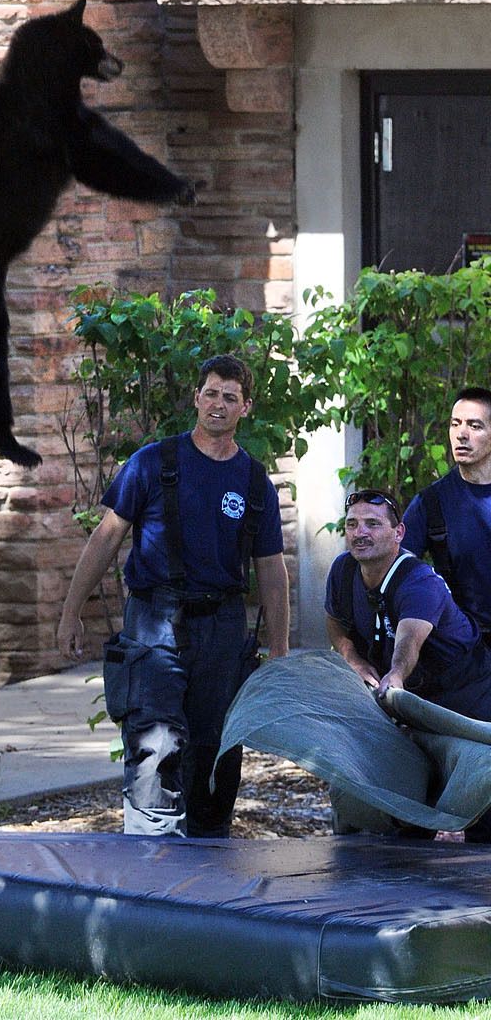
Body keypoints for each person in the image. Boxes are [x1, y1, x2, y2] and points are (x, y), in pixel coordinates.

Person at [57, 355, 290, 837]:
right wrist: (71, 612)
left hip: (223, 627)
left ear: (245, 407)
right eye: (211, 393)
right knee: (155, 744)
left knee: (215, 753)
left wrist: (281, 648)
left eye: (230, 397)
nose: (218, 404)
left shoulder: (254, 482)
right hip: (154, 620)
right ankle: (151, 861)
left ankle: (208, 864)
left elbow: (271, 568)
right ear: (196, 398)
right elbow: (105, 538)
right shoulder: (152, 463)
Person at [325, 489, 491, 720]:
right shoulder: (343, 568)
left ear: (399, 533)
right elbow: (334, 620)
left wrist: (396, 673)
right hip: (413, 695)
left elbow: (409, 640)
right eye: (352, 524)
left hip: (469, 693)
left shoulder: (420, 582)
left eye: (373, 524)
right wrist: (352, 657)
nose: (360, 533)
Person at [402, 387, 491, 640]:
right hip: (461, 646)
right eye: (455, 424)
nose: (462, 434)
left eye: (474, 426)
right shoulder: (430, 503)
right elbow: (397, 572)